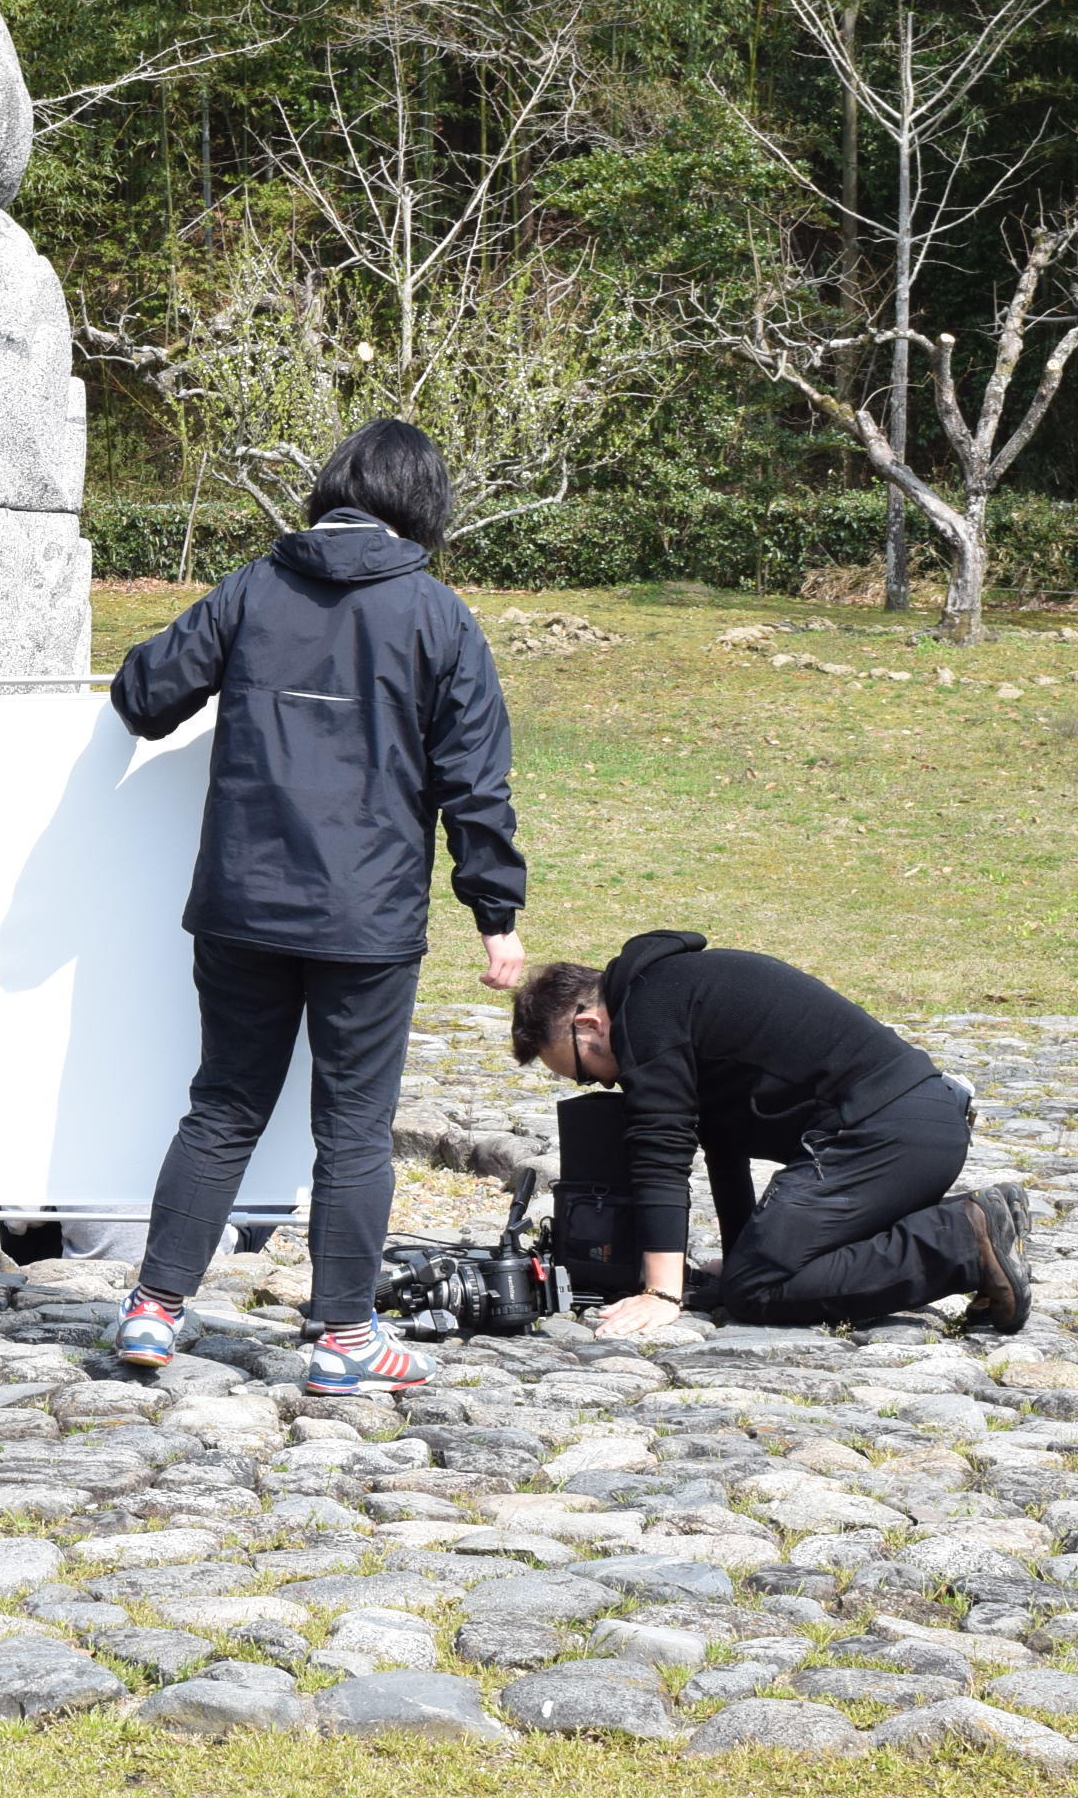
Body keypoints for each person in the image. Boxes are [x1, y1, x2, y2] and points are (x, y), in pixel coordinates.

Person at [106, 418, 527, 1394]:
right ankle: (343, 1333)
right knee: (353, 1129)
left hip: (242, 904)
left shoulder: (254, 588)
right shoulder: (437, 617)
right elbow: (477, 783)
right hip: (366, 919)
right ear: (422, 505)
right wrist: (495, 915)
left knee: (221, 1106)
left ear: (330, 489)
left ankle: (154, 1311)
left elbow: (144, 695)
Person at [512, 931, 1029, 1334]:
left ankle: (961, 1240)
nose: (603, 1082)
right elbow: (722, 1144)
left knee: (759, 1290)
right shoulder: (667, 992)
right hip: (913, 1129)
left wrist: (662, 1293)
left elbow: (661, 1154)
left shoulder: (647, 1013)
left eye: (584, 1072)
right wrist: (740, 1253)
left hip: (884, 1134)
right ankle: (970, 1231)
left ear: (588, 1024)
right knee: (747, 1275)